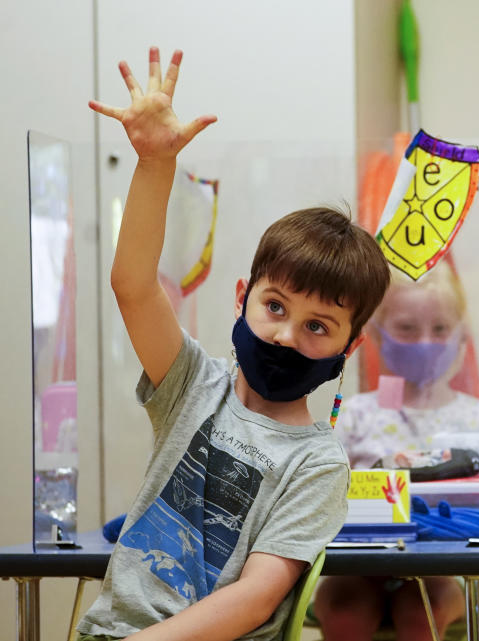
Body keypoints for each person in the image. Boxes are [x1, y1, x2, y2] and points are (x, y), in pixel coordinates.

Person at [77, 47, 390, 641]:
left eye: (317, 327)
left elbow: (253, 599)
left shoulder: (318, 464)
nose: (285, 335)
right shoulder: (194, 385)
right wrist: (154, 165)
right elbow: (133, 286)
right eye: (275, 307)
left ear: (351, 347)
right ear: (243, 295)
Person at [313, 260, 479, 641]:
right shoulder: (358, 413)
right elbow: (322, 489)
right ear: (375, 332)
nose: (424, 342)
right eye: (407, 328)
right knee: (344, 616)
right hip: (357, 564)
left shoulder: (477, 420)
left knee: (423, 614)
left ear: (461, 335)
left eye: (440, 329)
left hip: (441, 566)